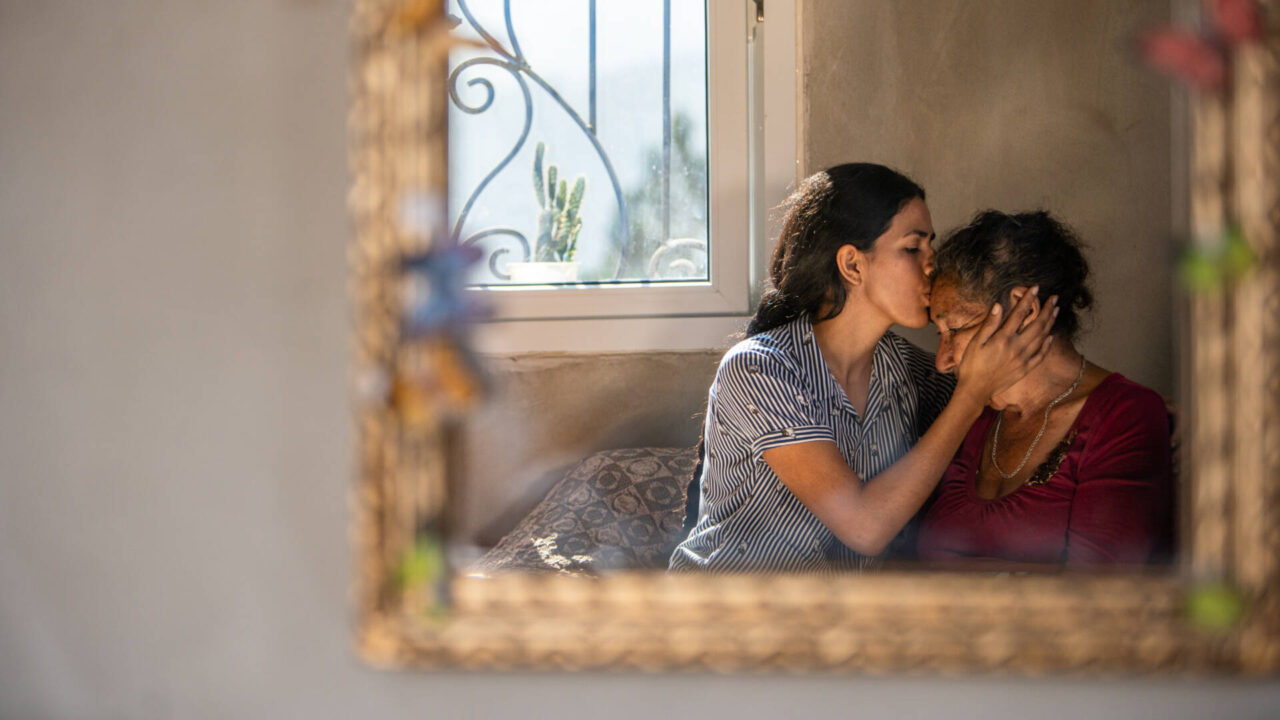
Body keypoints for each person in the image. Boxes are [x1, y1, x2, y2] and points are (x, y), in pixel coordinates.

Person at [669, 164, 1056, 573]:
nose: (933, 265)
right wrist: (972, 394)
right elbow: (865, 527)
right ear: (853, 265)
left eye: (932, 246)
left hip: (839, 627)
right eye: (913, 248)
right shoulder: (759, 369)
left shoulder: (908, 372)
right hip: (726, 621)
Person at [915, 210, 1174, 566]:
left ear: (1026, 309)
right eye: (938, 335)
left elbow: (1099, 597)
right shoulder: (975, 417)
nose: (942, 360)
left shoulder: (1125, 415)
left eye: (955, 330)